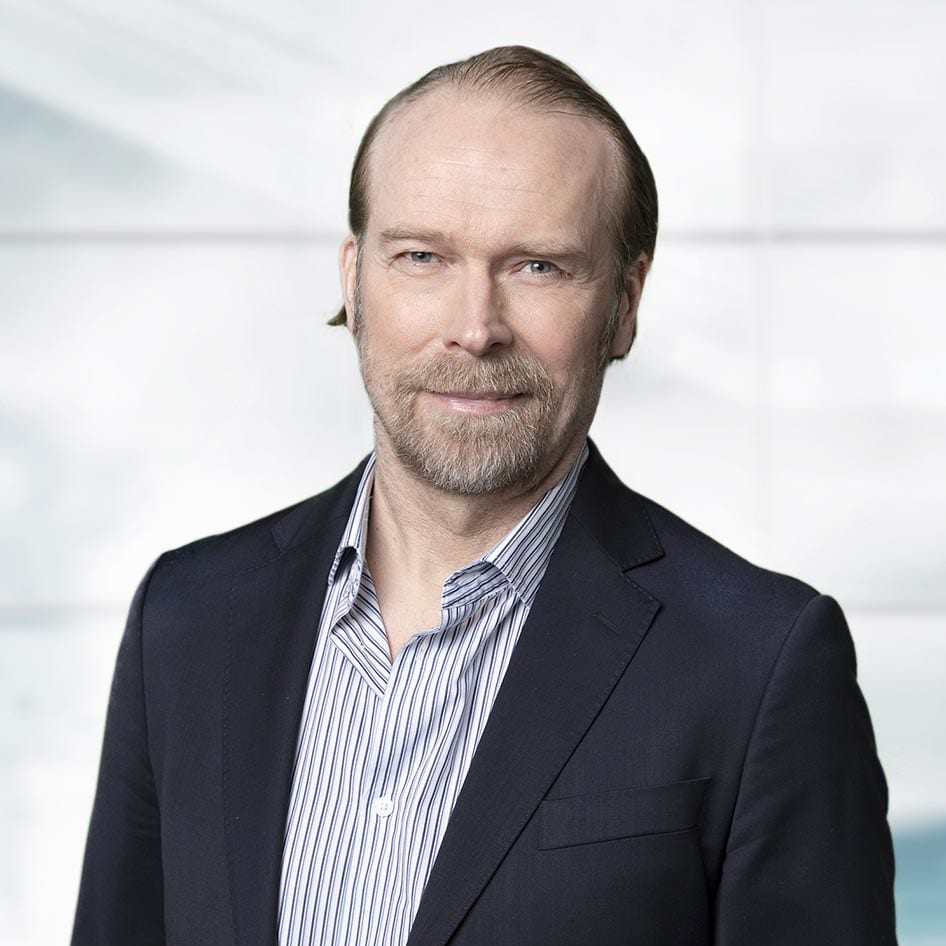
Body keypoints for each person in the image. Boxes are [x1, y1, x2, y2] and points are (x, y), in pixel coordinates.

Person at [72, 46, 897, 946]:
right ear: (353, 280)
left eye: (538, 267)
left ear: (624, 304)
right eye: (422, 257)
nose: (475, 328)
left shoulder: (761, 664)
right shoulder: (187, 620)